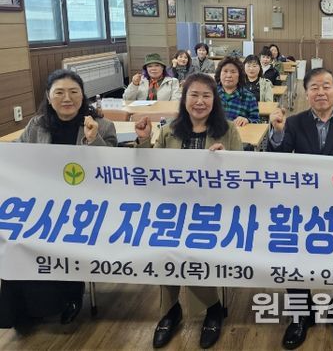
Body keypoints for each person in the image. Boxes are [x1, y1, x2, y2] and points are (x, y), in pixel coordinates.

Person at [0, 69, 117, 330]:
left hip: (88, 206)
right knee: (16, 238)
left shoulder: (102, 126)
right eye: (59, 92)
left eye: (74, 92)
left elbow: (113, 170)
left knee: (65, 235)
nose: (67, 98)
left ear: (83, 96)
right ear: (48, 96)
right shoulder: (37, 125)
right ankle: (24, 310)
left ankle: (69, 296)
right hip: (43, 204)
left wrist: (93, 139)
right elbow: (15, 157)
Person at [135, 73, 242, 348]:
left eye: (206, 96)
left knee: (194, 250)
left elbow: (243, 175)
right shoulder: (169, 131)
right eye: (194, 95)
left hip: (213, 210)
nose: (200, 101)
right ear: (184, 99)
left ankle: (212, 308)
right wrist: (144, 141)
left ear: (214, 100)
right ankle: (170, 311)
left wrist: (227, 162)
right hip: (172, 209)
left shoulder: (228, 130)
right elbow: (148, 173)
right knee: (165, 247)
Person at [267, 67, 333, 350]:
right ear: (306, 92)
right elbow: (277, 160)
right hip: (303, 205)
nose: (321, 92)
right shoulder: (294, 122)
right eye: (314, 87)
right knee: (295, 259)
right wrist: (278, 133)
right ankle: (301, 316)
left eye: (326, 86)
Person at [216, 56, 260, 126]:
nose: (229, 75)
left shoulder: (249, 97)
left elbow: (257, 121)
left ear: (239, 75)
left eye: (233, 72)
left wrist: (247, 120)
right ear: (219, 73)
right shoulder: (211, 94)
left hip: (238, 132)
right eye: (225, 71)